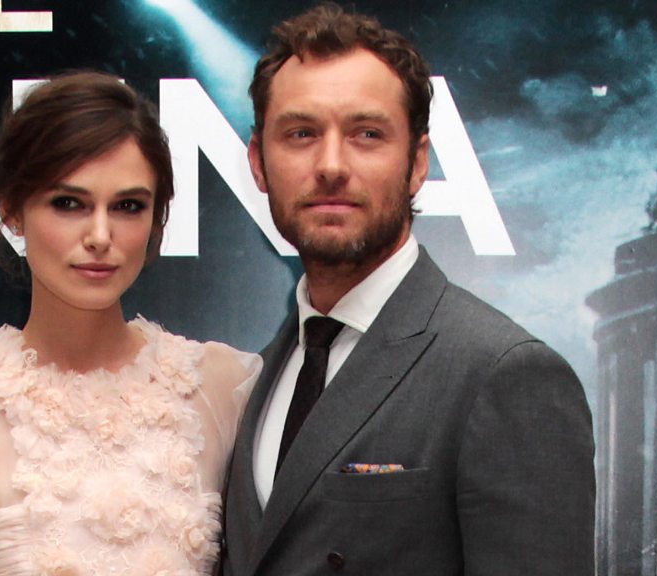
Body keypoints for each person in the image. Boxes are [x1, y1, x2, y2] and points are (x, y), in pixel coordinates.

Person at [221, 4, 595, 575]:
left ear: (418, 162)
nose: (330, 165)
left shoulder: (504, 373)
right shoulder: (258, 372)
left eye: (367, 134)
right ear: (258, 162)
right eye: (301, 134)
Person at [0, 71, 260, 576]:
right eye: (68, 203)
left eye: (128, 206)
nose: (100, 235)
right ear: (12, 210)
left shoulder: (223, 388)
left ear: (156, 219)